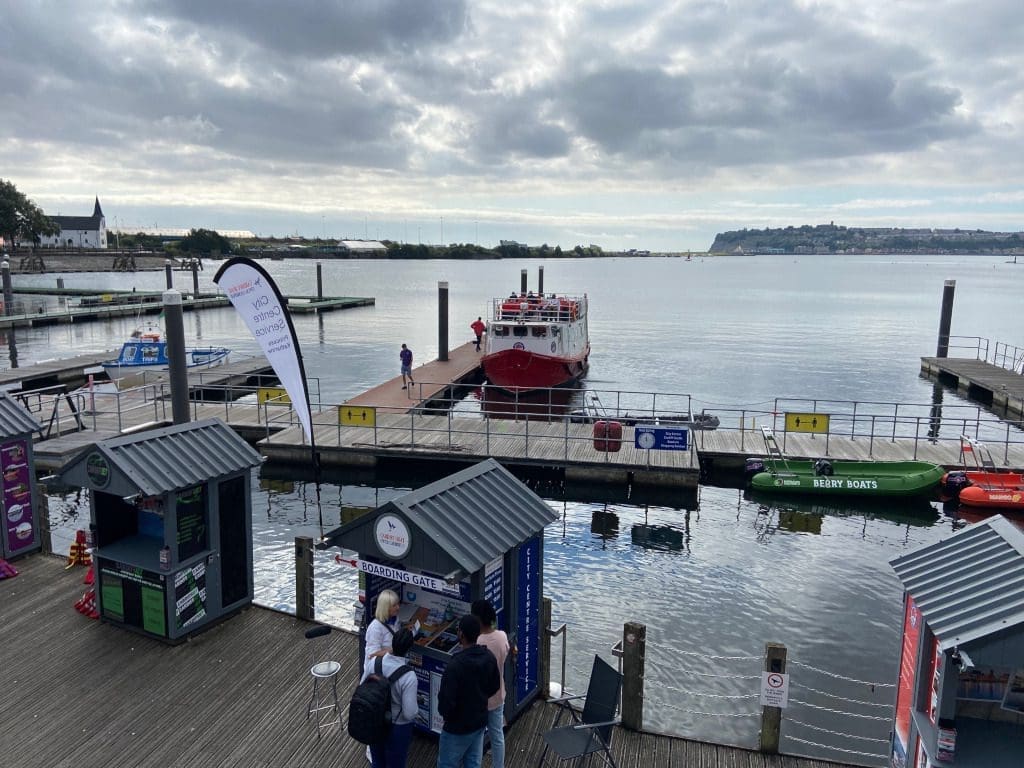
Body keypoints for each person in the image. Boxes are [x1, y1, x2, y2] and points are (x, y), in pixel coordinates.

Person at [437, 615, 500, 768]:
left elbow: (446, 701)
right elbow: (495, 686)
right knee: (473, 763)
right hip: (478, 722)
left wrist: (447, 716)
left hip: (456, 728)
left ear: (461, 634)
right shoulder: (489, 657)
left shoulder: (455, 665)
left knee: (447, 764)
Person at [360, 628, 418, 768]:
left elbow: (362, 686)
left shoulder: (374, 663)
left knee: (377, 761)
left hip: (375, 720)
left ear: (392, 644)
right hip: (397, 726)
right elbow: (409, 713)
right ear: (409, 649)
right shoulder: (409, 676)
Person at [471, 600, 511, 768]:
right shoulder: (502, 637)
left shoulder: (476, 642)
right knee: (497, 736)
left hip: (479, 699)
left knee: (478, 737)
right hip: (498, 695)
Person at [365, 589, 401, 661]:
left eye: (398, 604)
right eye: (394, 605)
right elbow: (372, 655)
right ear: (386, 607)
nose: (398, 607)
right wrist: (394, 650)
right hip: (380, 668)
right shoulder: (375, 628)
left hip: (392, 663)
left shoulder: (395, 619)